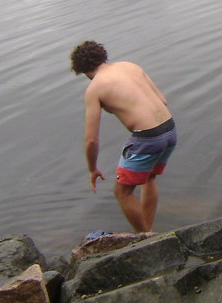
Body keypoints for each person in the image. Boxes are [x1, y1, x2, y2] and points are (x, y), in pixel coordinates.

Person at [70, 41, 177, 233]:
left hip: (148, 138)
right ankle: (149, 232)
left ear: (83, 71)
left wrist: (92, 169)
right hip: (169, 129)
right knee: (149, 177)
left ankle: (146, 239)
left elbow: (91, 140)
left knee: (122, 192)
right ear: (102, 56)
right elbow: (163, 100)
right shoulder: (129, 66)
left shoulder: (94, 89)